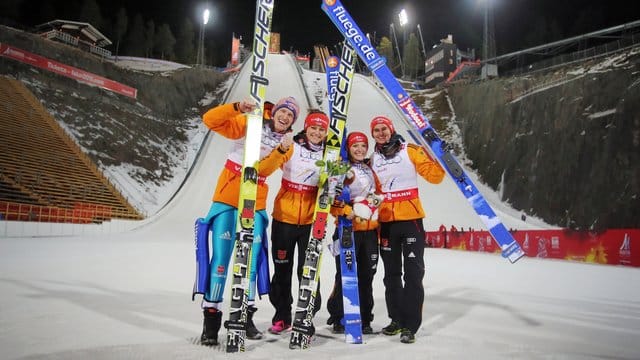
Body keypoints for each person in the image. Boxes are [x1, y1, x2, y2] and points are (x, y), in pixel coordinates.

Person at [196, 96, 300, 346]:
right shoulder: (250, 123)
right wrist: (235, 108)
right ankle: (211, 322)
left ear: (292, 123)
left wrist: (281, 151)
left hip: (254, 203)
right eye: (282, 112)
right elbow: (210, 120)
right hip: (228, 199)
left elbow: (263, 171)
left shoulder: (288, 145)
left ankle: (245, 317)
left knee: (250, 264)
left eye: (290, 116)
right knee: (221, 260)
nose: (284, 117)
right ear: (274, 112)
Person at [369, 116, 445, 344]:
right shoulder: (372, 159)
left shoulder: (410, 150)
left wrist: (439, 156)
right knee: (391, 275)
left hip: (410, 219)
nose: (381, 133)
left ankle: (410, 326)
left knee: (413, 274)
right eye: (377, 130)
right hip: (386, 223)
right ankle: (396, 320)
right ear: (373, 134)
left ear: (391, 130)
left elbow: (435, 177)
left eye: (384, 129)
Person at [258, 110, 330, 334]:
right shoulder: (292, 146)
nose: (316, 132)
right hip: (284, 218)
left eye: (321, 129)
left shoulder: (330, 153)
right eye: (313, 128)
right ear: (306, 128)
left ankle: (307, 313)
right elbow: (266, 168)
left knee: (306, 270)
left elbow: (336, 182)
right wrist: (280, 148)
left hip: (311, 220)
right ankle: (282, 315)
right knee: (282, 270)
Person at [326, 131, 380, 335]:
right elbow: (332, 200)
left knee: (367, 276)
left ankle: (365, 318)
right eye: (355, 146)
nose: (359, 149)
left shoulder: (369, 168)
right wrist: (347, 210)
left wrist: (372, 205)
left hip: (370, 231)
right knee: (345, 275)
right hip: (348, 229)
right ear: (348, 148)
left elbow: (378, 195)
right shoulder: (341, 166)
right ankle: (339, 316)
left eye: (363, 146)